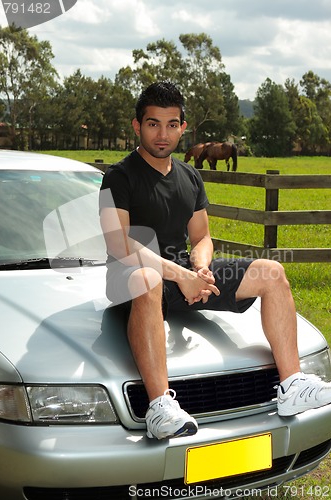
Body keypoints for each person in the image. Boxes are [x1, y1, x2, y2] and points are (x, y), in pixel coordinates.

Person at [99, 81, 331, 440]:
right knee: (147, 277)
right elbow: (120, 243)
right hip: (133, 279)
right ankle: (159, 407)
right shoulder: (119, 176)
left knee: (272, 272)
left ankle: (293, 386)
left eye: (172, 124)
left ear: (183, 127)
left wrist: (201, 267)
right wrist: (182, 276)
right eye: (153, 124)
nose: (163, 134)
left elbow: (202, 236)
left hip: (183, 276)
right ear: (137, 126)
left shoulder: (190, 176)